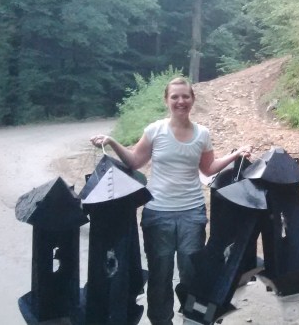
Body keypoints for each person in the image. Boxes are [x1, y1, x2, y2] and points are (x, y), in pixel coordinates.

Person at [90, 77, 252, 325]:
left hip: (192, 213)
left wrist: (236, 154)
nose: (180, 101)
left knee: (192, 273)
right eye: (175, 96)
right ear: (166, 100)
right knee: (160, 275)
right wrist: (111, 142)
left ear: (193, 99)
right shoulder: (155, 130)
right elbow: (135, 161)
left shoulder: (202, 134)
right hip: (158, 214)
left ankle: (192, 319)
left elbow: (208, 168)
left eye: (185, 96)